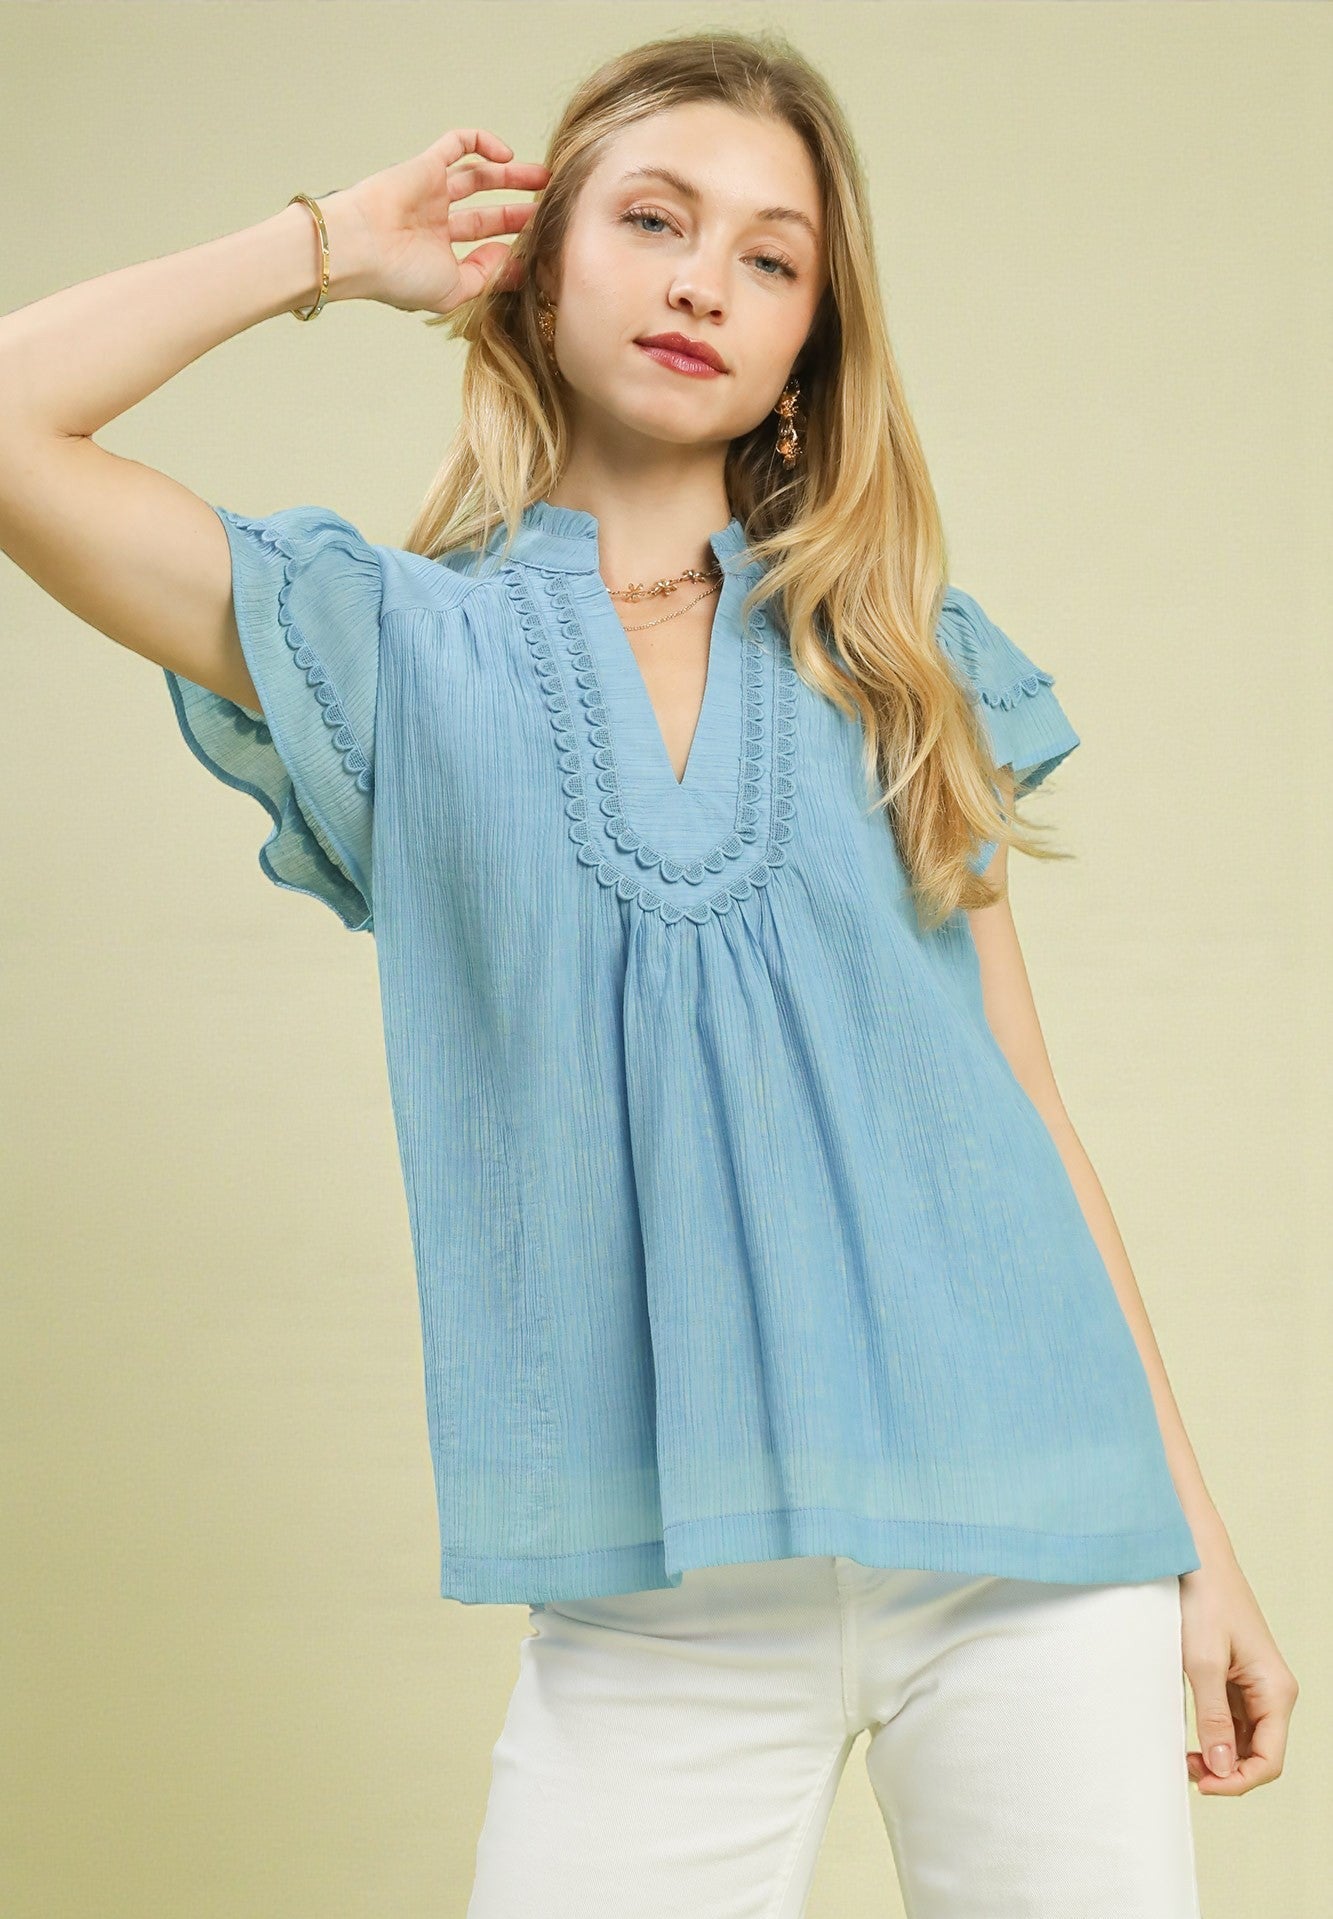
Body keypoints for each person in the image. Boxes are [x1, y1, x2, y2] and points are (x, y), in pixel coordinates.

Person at [0, 25, 1298, 1918]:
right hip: (663, 1594)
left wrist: (1198, 1542)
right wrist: (332, 245)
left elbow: (1023, 1105)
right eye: (655, 219)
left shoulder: (892, 652)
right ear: (538, 268)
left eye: (770, 258)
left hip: (1036, 1540)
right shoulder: (389, 651)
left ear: (804, 347)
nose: (705, 279)